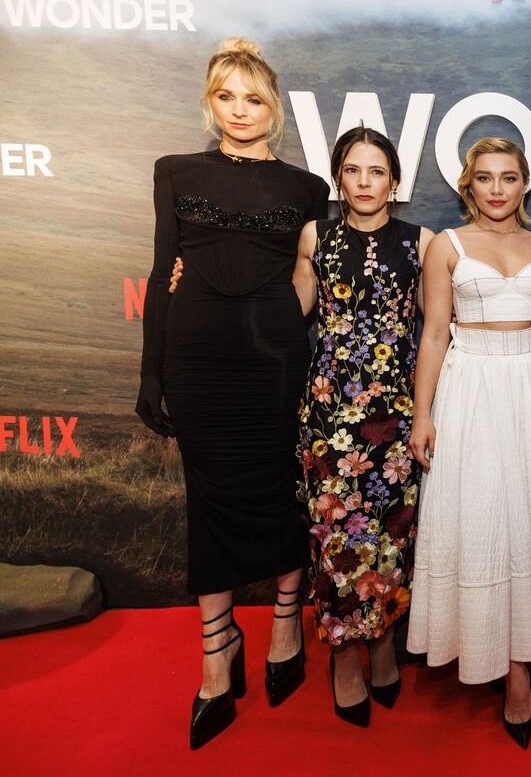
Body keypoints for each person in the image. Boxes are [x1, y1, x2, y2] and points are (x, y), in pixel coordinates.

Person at [136, 37, 328, 749]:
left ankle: (284, 628)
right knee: (209, 502)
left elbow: (314, 284)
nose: (240, 112)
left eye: (254, 99)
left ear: (273, 108)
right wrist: (150, 373)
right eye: (226, 97)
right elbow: (162, 274)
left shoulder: (308, 189)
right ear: (208, 101)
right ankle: (217, 656)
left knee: (280, 493)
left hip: (277, 359)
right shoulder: (176, 171)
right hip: (197, 360)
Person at [406, 137, 531, 749]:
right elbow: (435, 332)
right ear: (469, 184)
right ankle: (492, 653)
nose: (498, 189)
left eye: (510, 177)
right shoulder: (447, 245)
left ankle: (520, 670)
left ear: (525, 185)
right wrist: (421, 415)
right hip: (471, 390)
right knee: (484, 521)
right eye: (486, 178)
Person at [294, 125, 433, 727]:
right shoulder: (315, 237)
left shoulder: (421, 243)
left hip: (397, 415)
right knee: (335, 540)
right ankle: (345, 657)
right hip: (330, 414)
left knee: (391, 537)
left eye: (377, 171)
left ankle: (382, 645)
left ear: (395, 181)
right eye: (353, 170)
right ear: (338, 177)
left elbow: (440, 327)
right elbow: (288, 314)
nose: (365, 182)